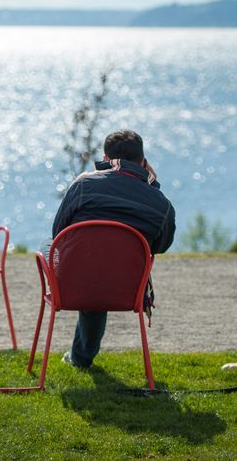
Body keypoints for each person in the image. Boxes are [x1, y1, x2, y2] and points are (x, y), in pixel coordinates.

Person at [51, 129, 176, 368]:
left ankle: (80, 357)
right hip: (129, 286)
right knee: (104, 264)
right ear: (144, 162)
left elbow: (59, 232)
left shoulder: (84, 185)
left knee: (81, 258)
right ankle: (80, 356)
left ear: (106, 159)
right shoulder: (161, 204)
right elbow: (161, 246)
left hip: (73, 283)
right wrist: (153, 186)